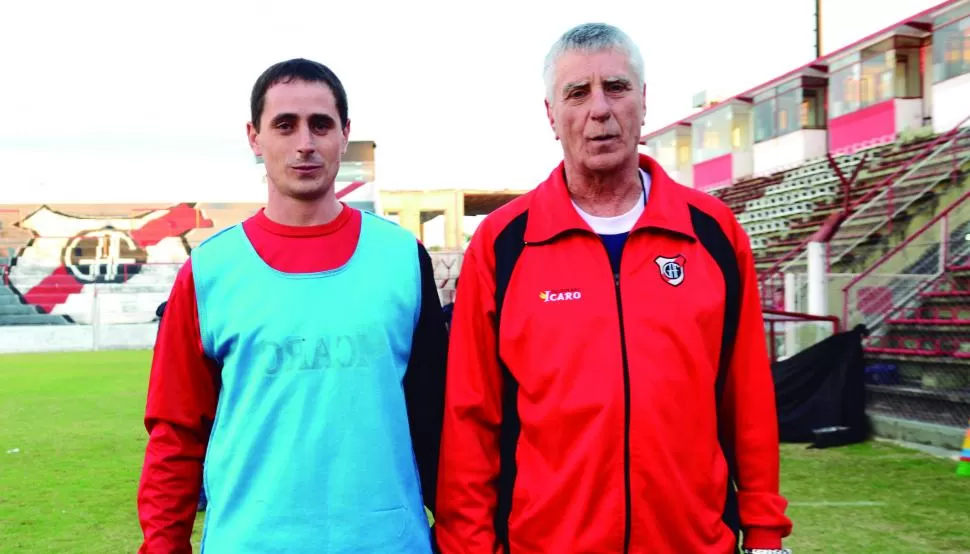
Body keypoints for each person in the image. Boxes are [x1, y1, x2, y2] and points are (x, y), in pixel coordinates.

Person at [434, 23, 793, 554]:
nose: (599, 109)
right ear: (551, 115)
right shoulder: (503, 243)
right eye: (578, 93)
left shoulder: (713, 233)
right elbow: (470, 419)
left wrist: (763, 535)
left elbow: (748, 401)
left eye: (616, 87)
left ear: (643, 101)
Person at [137, 58, 448, 553]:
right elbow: (176, 433)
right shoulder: (209, 271)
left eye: (320, 124)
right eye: (285, 125)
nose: (305, 142)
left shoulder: (401, 259)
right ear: (255, 137)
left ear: (344, 134)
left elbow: (438, 421)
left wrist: (459, 533)